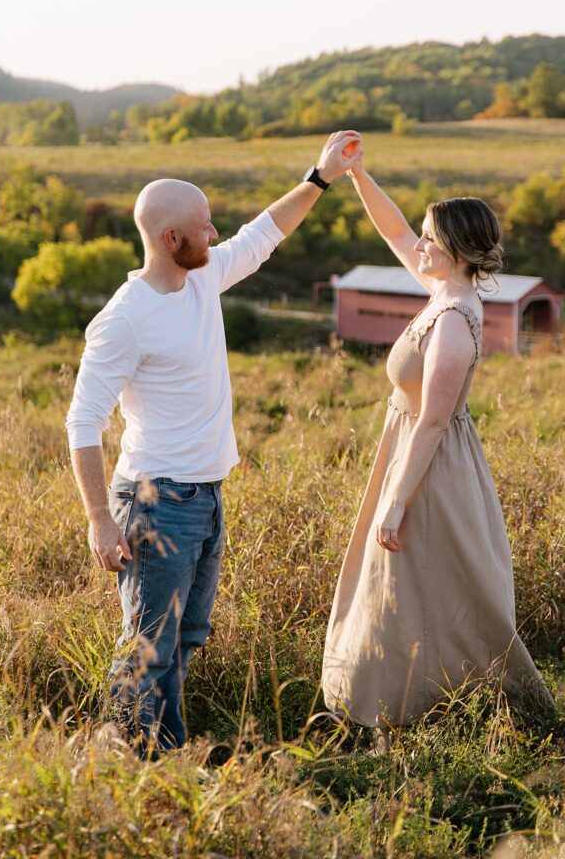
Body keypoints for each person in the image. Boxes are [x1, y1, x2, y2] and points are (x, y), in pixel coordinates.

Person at [66, 130, 361, 757]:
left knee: (186, 635)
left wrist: (320, 175)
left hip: (204, 495)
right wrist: (99, 520)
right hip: (154, 501)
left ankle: (165, 754)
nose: (216, 231)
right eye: (204, 226)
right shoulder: (123, 319)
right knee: (148, 643)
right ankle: (128, 762)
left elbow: (264, 232)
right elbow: (82, 422)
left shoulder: (201, 278)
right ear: (173, 239)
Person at [322, 151, 554, 743]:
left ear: (457, 251)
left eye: (430, 240)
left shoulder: (452, 318)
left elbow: (432, 423)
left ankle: (443, 705)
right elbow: (394, 229)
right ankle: (402, 697)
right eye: (424, 238)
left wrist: (397, 501)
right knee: (408, 583)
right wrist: (356, 174)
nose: (417, 246)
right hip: (407, 449)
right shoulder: (438, 286)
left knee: (426, 581)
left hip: (429, 464)